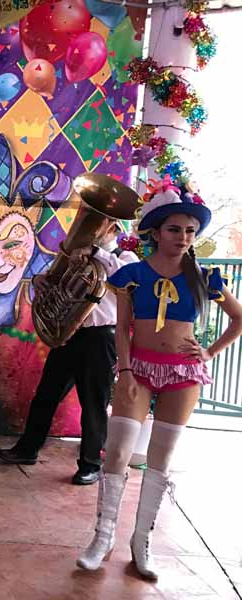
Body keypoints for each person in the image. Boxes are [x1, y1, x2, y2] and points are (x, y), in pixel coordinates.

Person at [76, 179, 242, 579]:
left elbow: (239, 319)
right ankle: (103, 537)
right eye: (174, 229)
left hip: (184, 374)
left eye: (190, 231)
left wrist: (209, 352)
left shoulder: (205, 277)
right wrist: (126, 370)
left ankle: (141, 542)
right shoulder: (132, 274)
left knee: (161, 459)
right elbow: (122, 329)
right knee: (117, 451)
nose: (183, 237)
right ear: (155, 232)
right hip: (139, 369)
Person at [0, 222, 139, 485]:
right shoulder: (74, 257)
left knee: (93, 404)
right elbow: (53, 282)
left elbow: (128, 277)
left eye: (102, 225)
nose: (94, 231)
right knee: (46, 396)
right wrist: (41, 281)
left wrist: (96, 253)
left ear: (114, 228)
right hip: (68, 334)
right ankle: (27, 449)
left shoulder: (124, 257)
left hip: (100, 338)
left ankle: (91, 464)